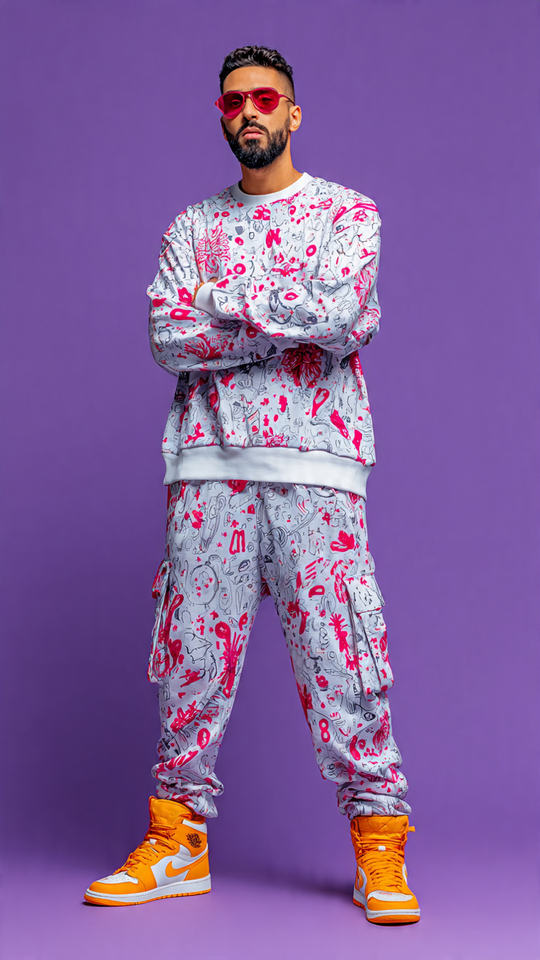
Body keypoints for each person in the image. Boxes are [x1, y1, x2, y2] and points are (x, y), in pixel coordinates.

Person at [84, 44, 421, 925]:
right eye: (233, 102)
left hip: (318, 468)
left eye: (265, 99)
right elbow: (168, 337)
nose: (248, 113)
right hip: (208, 466)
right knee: (190, 659)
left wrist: (223, 302)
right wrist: (284, 313)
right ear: (222, 115)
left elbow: (342, 316)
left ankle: (380, 847)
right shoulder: (190, 226)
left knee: (345, 661)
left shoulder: (348, 214)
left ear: (294, 112)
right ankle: (176, 841)